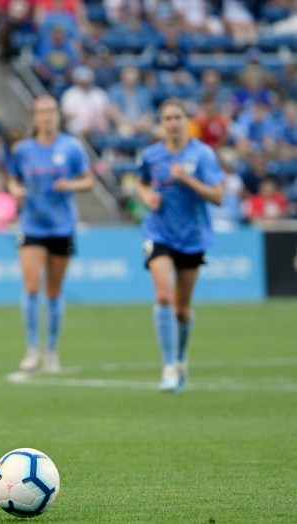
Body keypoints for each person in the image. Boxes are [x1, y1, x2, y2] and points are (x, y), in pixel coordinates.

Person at [136, 98, 225, 394]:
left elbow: (218, 196)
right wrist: (147, 197)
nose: (173, 122)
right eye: (167, 118)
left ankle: (181, 357)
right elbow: (142, 183)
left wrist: (188, 180)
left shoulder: (203, 155)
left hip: (192, 238)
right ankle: (169, 365)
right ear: (161, 124)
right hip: (159, 233)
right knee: (164, 296)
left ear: (187, 120)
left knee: (182, 309)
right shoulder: (151, 155)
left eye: (177, 117)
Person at [7, 95, 94, 374]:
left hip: (62, 226)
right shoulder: (24, 150)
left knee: (54, 292)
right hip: (32, 225)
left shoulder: (72, 147)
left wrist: (72, 185)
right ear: (35, 117)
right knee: (32, 287)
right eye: (41, 112)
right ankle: (32, 349)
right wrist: (14, 189)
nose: (46, 117)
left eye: (51, 111)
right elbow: (13, 178)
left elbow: (89, 180)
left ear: (58, 115)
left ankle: (52, 351)